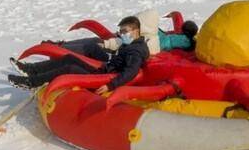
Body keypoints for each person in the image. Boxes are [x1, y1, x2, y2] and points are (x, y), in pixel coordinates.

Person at [9, 15, 150, 92]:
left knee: (70, 68)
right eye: (120, 31)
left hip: (104, 77)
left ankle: (31, 82)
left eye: (124, 31)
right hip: (106, 69)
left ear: (136, 31)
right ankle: (31, 69)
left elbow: (130, 72)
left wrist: (111, 85)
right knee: (71, 57)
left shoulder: (135, 51)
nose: (121, 34)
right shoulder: (132, 44)